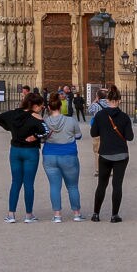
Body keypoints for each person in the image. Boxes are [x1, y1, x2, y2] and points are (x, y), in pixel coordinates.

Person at [0, 91, 47, 222]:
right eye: (41, 105)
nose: (42, 108)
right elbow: (46, 132)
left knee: (15, 182)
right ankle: (29, 215)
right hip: (30, 151)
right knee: (29, 183)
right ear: (35, 105)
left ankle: (11, 214)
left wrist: (10, 128)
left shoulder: (14, 113)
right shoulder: (36, 117)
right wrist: (35, 136)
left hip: (15, 150)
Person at [89, 85, 133, 222]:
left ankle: (96, 214)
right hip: (121, 154)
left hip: (105, 153)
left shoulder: (100, 115)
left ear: (107, 100)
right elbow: (130, 137)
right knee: (117, 185)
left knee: (101, 184)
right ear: (119, 100)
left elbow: (93, 133)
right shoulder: (125, 117)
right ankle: (114, 215)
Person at [42, 92, 83, 222]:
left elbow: (42, 139)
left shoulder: (45, 122)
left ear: (49, 108)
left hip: (49, 155)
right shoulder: (70, 120)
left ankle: (57, 215)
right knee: (72, 186)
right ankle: (76, 213)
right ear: (60, 106)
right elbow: (78, 136)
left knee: (54, 186)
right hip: (68, 154)